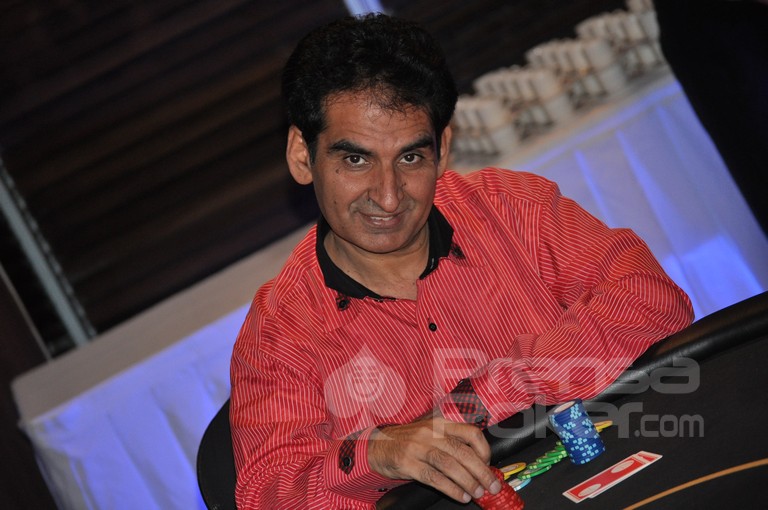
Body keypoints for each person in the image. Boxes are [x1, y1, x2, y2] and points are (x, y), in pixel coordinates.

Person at [229, 13, 694, 509]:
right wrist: (377, 454)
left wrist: (477, 402)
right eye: (356, 160)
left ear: (443, 148)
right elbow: (268, 495)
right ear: (302, 156)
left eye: (411, 158)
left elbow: (652, 299)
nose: (388, 197)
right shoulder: (278, 332)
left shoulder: (513, 208)